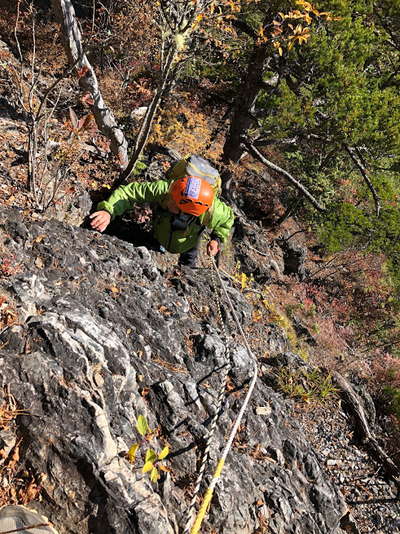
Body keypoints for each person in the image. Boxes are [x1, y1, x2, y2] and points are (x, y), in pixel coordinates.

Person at [90, 174, 234, 267]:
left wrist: (216, 239)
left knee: (188, 262)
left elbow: (228, 220)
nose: (168, 199)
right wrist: (108, 211)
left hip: (189, 241)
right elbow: (129, 193)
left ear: (186, 209)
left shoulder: (214, 212)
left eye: (173, 201)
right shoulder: (168, 189)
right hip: (160, 231)